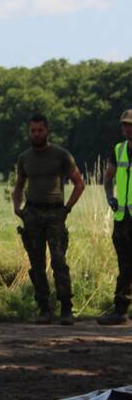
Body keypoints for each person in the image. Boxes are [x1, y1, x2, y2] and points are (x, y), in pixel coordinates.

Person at [12, 114, 84, 325]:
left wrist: (67, 209)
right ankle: (44, 308)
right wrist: (18, 208)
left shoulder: (61, 155)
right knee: (36, 263)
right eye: (32, 130)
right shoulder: (24, 157)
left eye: (39, 130)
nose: (36, 134)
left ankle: (66, 309)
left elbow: (79, 183)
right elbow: (18, 186)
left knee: (59, 261)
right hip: (32, 214)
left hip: (55, 214)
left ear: (47, 131)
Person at [98, 109, 132, 325]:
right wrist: (110, 198)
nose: (127, 128)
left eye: (130, 125)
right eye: (125, 125)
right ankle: (121, 311)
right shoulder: (118, 150)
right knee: (125, 264)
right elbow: (108, 179)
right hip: (123, 217)